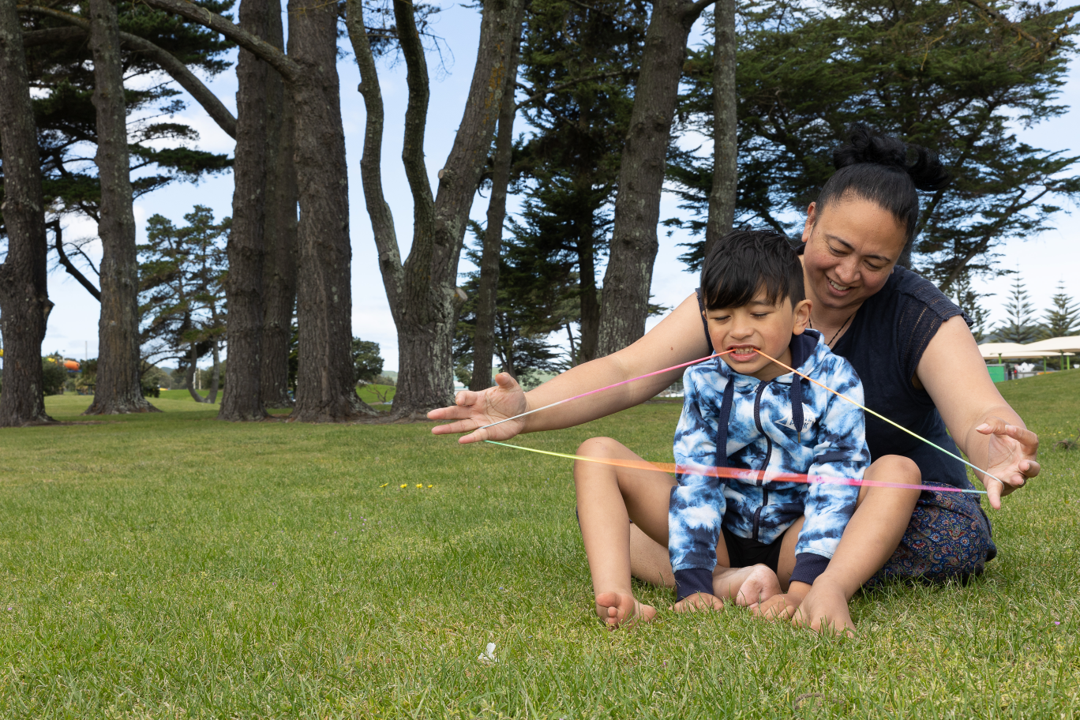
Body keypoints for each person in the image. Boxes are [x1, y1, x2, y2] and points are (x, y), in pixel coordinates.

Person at [429, 125, 1041, 634]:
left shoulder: (919, 313)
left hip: (876, 507)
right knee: (653, 506)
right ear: (809, 222)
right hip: (748, 507)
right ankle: (731, 575)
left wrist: (1001, 452)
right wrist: (522, 407)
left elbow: (978, 415)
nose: (849, 273)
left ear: (899, 259)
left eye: (876, 262)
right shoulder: (745, 292)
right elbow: (627, 370)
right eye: (838, 246)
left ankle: (794, 576)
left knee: (946, 539)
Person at [577, 230, 885, 629]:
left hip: (796, 539)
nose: (738, 331)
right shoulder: (704, 380)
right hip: (720, 536)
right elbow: (697, 480)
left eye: (758, 314)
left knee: (897, 471)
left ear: (799, 316)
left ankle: (813, 587)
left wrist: (803, 587)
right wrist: (693, 584)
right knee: (596, 455)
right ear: (706, 318)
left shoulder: (833, 377)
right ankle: (621, 595)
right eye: (722, 318)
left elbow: (836, 481)